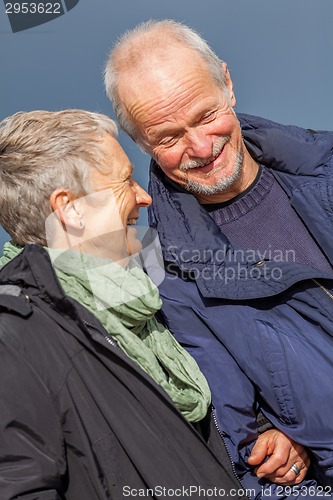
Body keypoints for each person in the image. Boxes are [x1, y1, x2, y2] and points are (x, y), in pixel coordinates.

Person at [104, 19, 333, 499]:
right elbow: (231, 428)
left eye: (206, 116)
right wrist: (276, 436)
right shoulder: (162, 278)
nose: (201, 148)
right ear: (141, 143)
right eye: (168, 138)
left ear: (227, 83)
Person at [0, 109, 249, 499]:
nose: (144, 196)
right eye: (124, 181)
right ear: (70, 209)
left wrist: (259, 432)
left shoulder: (144, 304)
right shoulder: (14, 337)